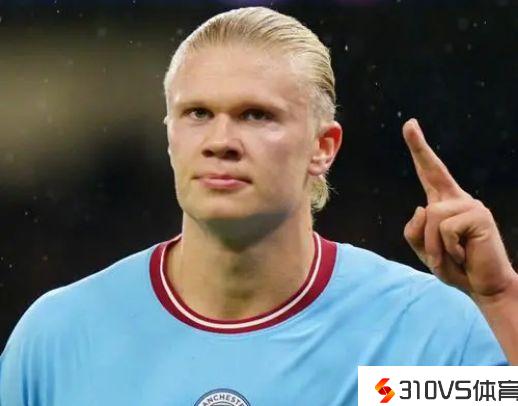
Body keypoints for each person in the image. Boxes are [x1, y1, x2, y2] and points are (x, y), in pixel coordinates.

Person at [1, 6, 517, 405]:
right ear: (169, 136)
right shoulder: (59, 338)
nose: (220, 141)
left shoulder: (419, 332)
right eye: (197, 113)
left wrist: (500, 300)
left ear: (323, 148)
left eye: (256, 115)